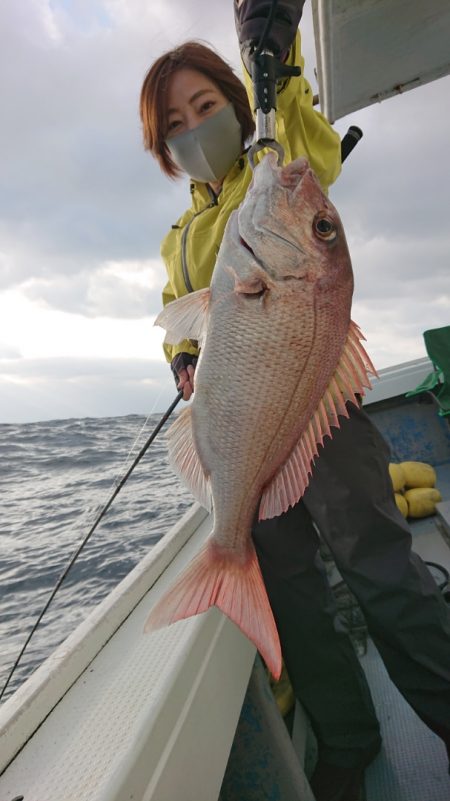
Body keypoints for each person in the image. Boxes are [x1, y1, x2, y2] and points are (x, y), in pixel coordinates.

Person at [139, 2, 450, 799]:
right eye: (174, 121)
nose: (192, 127)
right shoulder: (181, 236)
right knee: (296, 597)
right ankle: (347, 737)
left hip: (327, 417)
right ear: (162, 147)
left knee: (381, 570)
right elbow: (179, 309)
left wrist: (274, 60)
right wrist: (182, 356)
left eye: (206, 107)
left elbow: (300, 129)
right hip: (247, 425)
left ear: (240, 108)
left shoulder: (274, 164)